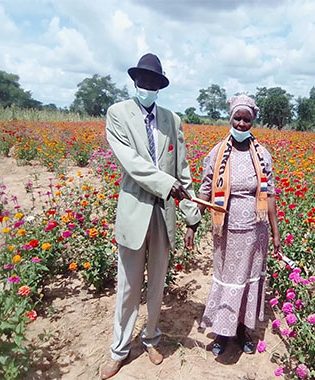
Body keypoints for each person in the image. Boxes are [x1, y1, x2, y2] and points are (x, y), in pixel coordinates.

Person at [100, 53, 201, 379]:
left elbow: (181, 169)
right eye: (143, 80)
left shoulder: (172, 119)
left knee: (157, 284)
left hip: (164, 213)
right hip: (135, 209)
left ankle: (152, 338)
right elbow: (129, 160)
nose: (147, 86)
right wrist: (166, 183)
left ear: (160, 85)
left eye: (153, 82)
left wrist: (190, 213)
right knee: (128, 287)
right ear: (135, 81)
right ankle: (119, 349)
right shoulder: (118, 114)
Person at [186, 94, 281, 356]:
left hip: (255, 232)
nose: (241, 124)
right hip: (225, 231)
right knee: (228, 280)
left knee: (248, 281)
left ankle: (242, 330)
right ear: (230, 118)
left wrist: (275, 233)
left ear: (253, 121)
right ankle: (222, 332)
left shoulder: (262, 155)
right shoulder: (217, 154)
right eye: (237, 118)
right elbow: (205, 190)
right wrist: (193, 223)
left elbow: (270, 195)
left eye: (246, 119)